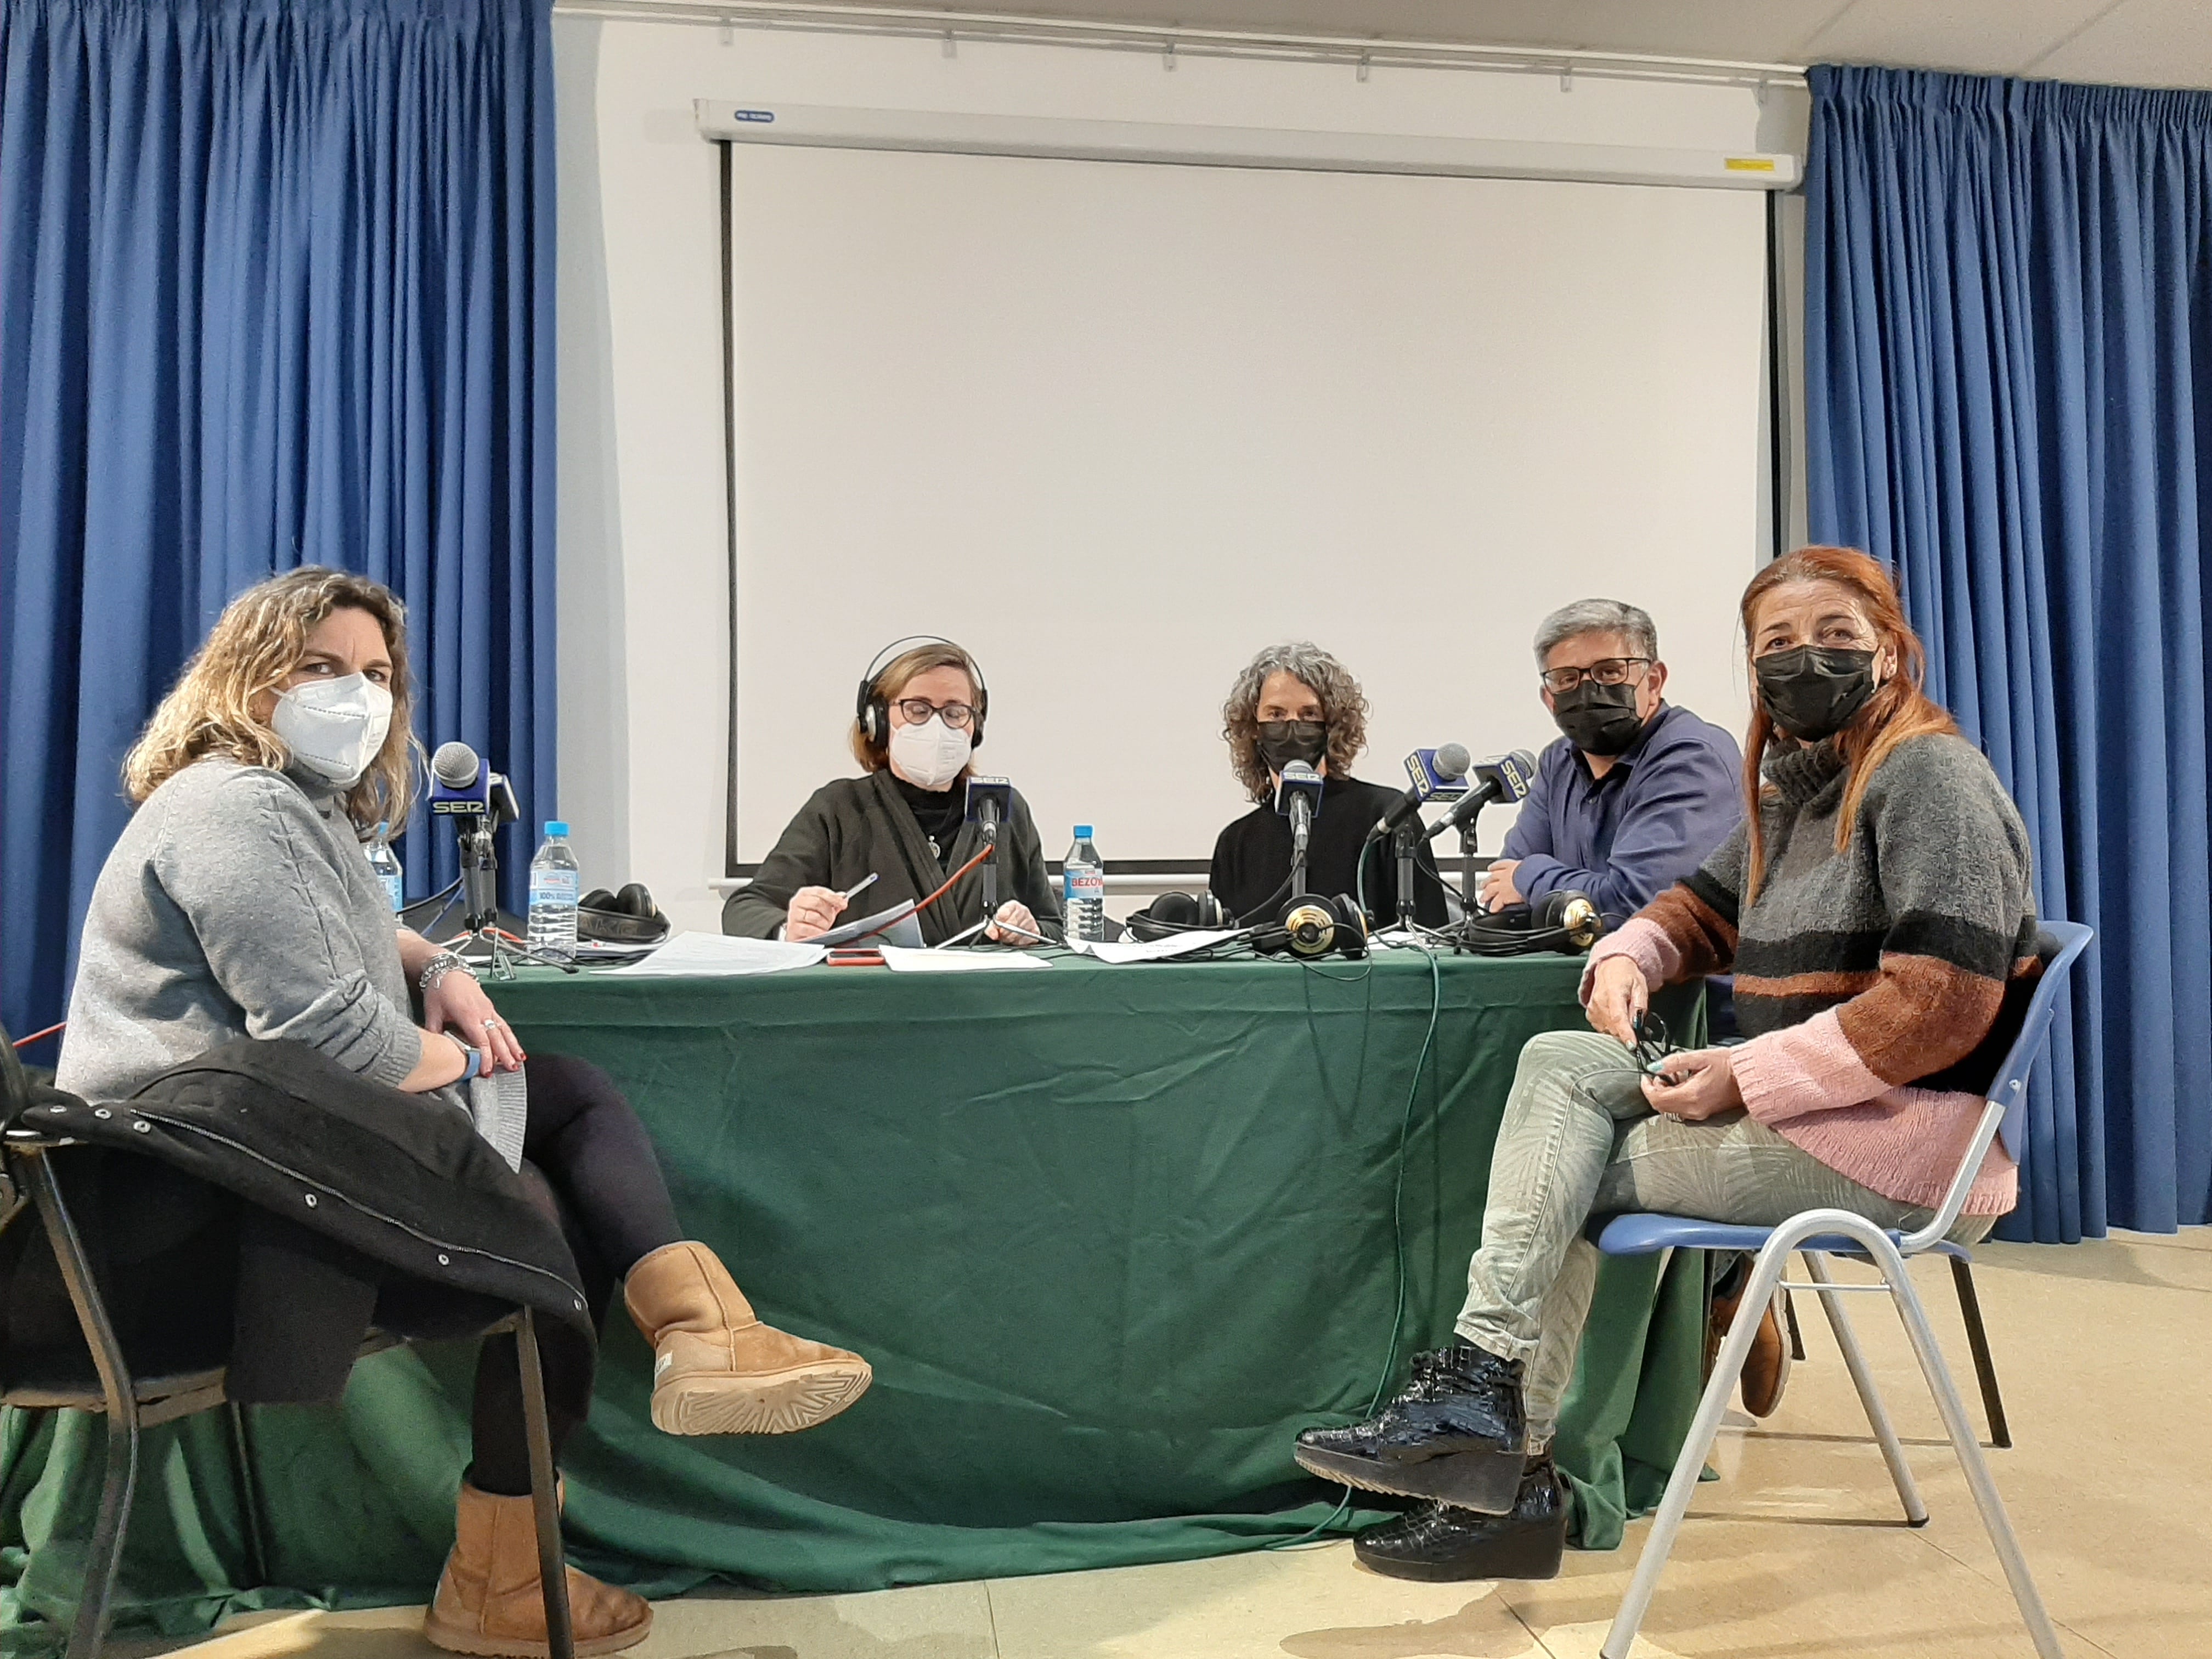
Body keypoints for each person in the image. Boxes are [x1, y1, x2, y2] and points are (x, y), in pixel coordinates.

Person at [55, 569, 872, 1657]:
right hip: (176, 1222)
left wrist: (434, 962)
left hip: (234, 1167)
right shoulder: (233, 806)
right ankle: (656, 1391)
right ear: (250, 682)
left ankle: (655, 1394)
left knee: (546, 1200)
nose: (360, 695)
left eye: (378, 675)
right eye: (324, 669)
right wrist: (455, 1059)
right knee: (551, 1161)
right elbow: (326, 1036)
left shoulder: (283, 804)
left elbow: (336, 926)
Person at [1293, 548, 2041, 1583]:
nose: (1802, 658)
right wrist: (1627, 954)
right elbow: (1693, 907)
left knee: (1567, 1181)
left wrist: (1748, 1074)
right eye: (1775, 642)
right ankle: (1481, 1399)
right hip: (1819, 1109)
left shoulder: (1928, 774)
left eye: (1832, 633)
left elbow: (1943, 998)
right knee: (1560, 1060)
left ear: (1888, 645)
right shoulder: (1793, 781)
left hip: (1900, 1141)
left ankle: (1513, 1467)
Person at [721, 638, 1062, 946]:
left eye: (955, 712)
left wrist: (1031, 931)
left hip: (991, 1007)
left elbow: (1052, 924)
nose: (937, 725)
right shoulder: (839, 809)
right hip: (873, 1008)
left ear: (976, 726)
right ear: (878, 720)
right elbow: (744, 909)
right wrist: (790, 928)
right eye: (918, 709)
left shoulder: (1001, 809)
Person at [1479, 599, 1741, 926]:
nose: (1589, 691)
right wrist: (1529, 885)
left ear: (1654, 681)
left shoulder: (1693, 756)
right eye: (1567, 679)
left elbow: (1639, 905)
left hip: (1685, 977)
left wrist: (1531, 877)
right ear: (1549, 699)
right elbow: (1502, 896)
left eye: (1609, 672)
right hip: (1576, 973)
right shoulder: (1557, 761)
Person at [1209, 643, 1447, 927]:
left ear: (1332, 725)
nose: (1292, 726)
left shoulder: (1389, 818)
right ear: (1254, 729)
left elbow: (1433, 939)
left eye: (1309, 714)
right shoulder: (1236, 844)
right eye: (1276, 714)